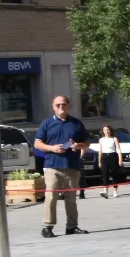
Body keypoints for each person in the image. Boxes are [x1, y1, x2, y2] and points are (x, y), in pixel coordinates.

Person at [33, 94, 89, 238]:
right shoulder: (47, 123)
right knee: (51, 197)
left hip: (72, 166)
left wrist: (77, 145)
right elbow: (37, 143)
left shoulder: (76, 123)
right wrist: (52, 148)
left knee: (71, 199)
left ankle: (72, 226)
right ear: (53, 107)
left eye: (63, 104)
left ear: (68, 106)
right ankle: (47, 227)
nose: (61, 107)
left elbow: (86, 143)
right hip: (53, 166)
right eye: (58, 105)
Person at [96, 124, 123, 199]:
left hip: (113, 156)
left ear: (110, 130)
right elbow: (100, 151)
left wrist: (120, 159)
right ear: (103, 131)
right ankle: (105, 191)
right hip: (104, 157)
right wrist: (99, 161)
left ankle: (115, 191)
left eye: (107, 130)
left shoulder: (114, 138)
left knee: (114, 174)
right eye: (105, 130)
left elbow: (118, 149)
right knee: (105, 175)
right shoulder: (101, 140)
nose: (106, 131)